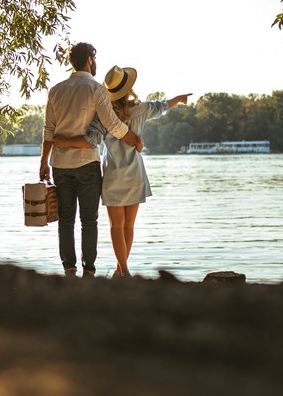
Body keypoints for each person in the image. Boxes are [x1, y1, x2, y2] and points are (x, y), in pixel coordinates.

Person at [58, 65, 190, 277]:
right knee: (129, 226)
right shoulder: (142, 109)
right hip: (135, 173)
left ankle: (123, 270)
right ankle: (121, 270)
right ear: (129, 89)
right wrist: (179, 98)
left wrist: (62, 141)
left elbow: (90, 141)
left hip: (113, 175)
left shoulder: (102, 115)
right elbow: (163, 106)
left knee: (116, 226)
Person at [40, 43, 143, 278]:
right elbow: (114, 126)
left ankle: (68, 270)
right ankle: (88, 272)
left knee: (65, 219)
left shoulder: (55, 90)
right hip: (87, 164)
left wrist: (43, 162)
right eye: (94, 59)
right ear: (89, 60)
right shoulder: (97, 89)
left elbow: (48, 131)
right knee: (89, 220)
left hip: (60, 165)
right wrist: (135, 139)